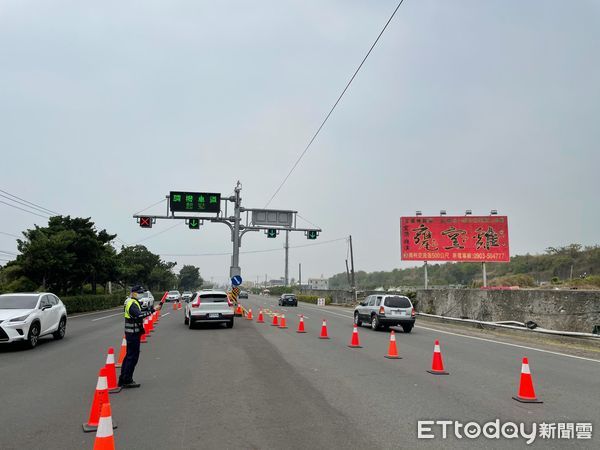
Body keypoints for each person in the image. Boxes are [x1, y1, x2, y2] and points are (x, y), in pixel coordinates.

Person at [119, 285, 160, 388]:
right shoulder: (132, 303)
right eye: (139, 292)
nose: (140, 294)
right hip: (133, 334)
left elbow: (139, 312)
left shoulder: (130, 301)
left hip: (131, 333)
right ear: (133, 292)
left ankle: (123, 379)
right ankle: (127, 380)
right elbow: (139, 315)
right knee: (132, 357)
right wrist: (153, 310)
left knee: (128, 356)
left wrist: (151, 309)